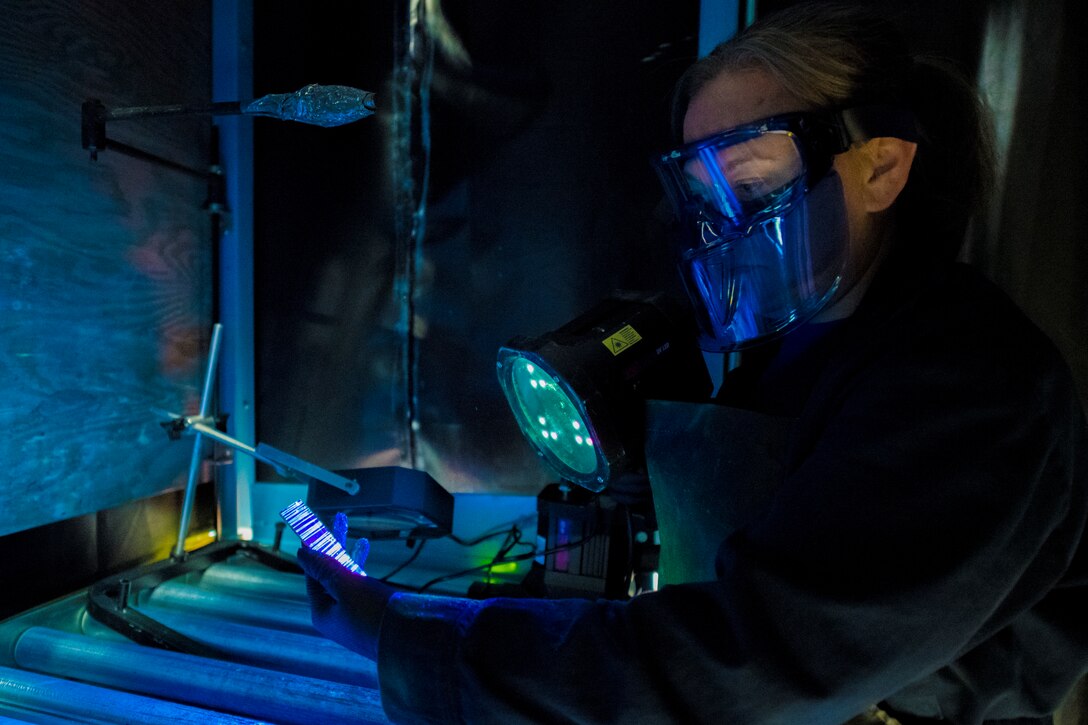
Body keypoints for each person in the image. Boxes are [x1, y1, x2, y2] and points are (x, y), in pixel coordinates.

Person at [297, 2, 1088, 723]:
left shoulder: (973, 385)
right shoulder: (802, 348)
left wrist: (406, 635)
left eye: (746, 183)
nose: (725, 231)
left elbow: (748, 661)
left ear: (881, 166)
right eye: (705, 200)